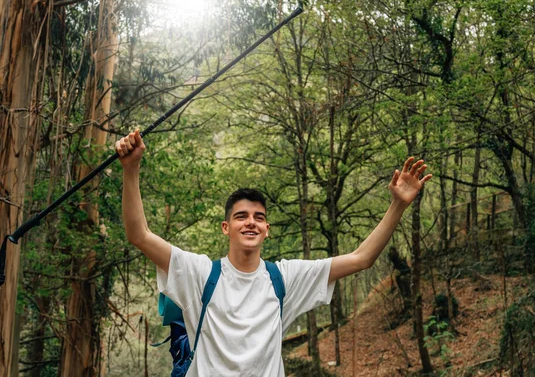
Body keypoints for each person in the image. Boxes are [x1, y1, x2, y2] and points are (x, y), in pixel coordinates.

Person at [115, 129, 432, 376]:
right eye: (241, 216)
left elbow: (362, 259)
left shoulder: (286, 278)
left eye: (259, 217)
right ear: (226, 228)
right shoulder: (199, 274)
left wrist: (397, 205)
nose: (251, 222)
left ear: (267, 229)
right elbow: (139, 235)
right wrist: (131, 169)